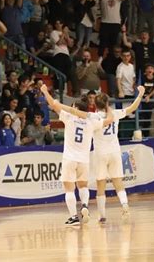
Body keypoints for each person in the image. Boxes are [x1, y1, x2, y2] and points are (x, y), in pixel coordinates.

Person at [40, 84, 114, 226]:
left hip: (70, 158)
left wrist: (45, 91)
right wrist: (108, 108)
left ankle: (74, 216)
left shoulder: (69, 117)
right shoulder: (91, 121)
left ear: (76, 108)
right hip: (84, 160)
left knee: (68, 188)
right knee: (83, 186)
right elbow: (110, 120)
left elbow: (52, 104)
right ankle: (85, 206)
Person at [94, 86, 145, 223]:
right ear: (107, 103)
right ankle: (124, 205)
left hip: (101, 153)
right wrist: (140, 95)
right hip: (114, 152)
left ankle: (102, 215)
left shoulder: (93, 117)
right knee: (118, 182)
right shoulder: (115, 113)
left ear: (95, 105)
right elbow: (132, 108)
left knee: (100, 184)